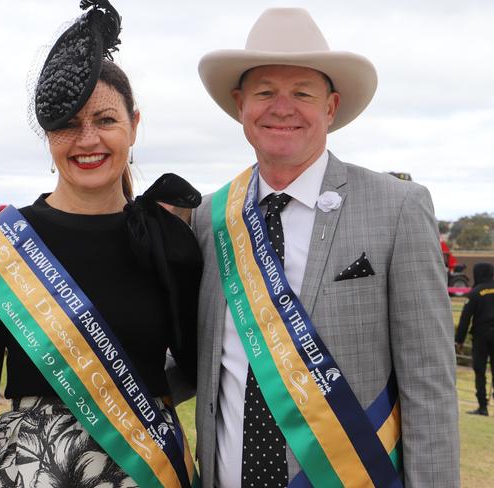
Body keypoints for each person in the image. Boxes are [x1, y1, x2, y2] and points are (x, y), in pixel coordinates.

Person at [191, 8, 459, 487]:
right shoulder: (209, 219)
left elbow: (429, 385)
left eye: (302, 93)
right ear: (240, 104)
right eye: (266, 92)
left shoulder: (398, 207)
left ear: (331, 108)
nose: (282, 107)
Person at [0, 2, 202, 487]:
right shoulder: (4, 250)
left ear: (134, 123)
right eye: (67, 122)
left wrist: (125, 405)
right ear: (47, 134)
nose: (87, 140)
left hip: (146, 469)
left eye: (105, 119)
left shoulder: (170, 244)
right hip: (30, 471)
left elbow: (198, 366)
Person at [455, 262, 494, 416]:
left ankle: (482, 407)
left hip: (481, 336)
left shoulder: (475, 293)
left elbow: (465, 319)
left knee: (480, 370)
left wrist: (459, 340)